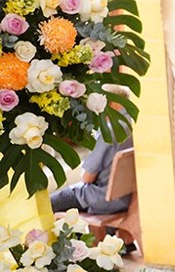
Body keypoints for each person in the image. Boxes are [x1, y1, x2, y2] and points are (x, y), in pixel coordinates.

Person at [49, 85, 133, 215]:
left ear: (112, 103)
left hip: (100, 198)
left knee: (46, 204)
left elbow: (87, 177)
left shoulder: (109, 131)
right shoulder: (134, 124)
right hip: (127, 198)